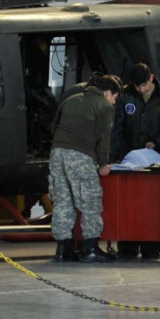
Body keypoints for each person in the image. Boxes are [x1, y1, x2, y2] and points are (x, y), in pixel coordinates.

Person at [48, 74, 122, 263]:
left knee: (63, 202)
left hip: (57, 153)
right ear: (107, 93)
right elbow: (104, 137)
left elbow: (54, 125)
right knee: (89, 201)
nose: (114, 102)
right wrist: (103, 163)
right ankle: (90, 248)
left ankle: (63, 249)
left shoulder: (71, 99)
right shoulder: (104, 106)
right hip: (80, 155)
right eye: (115, 97)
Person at [111, 63, 160, 260]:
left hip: (155, 159)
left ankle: (151, 247)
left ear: (151, 78)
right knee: (128, 206)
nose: (141, 89)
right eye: (137, 86)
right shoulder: (125, 97)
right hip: (129, 161)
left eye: (144, 84)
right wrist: (114, 158)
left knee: (152, 206)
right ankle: (127, 246)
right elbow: (118, 128)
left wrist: (158, 142)